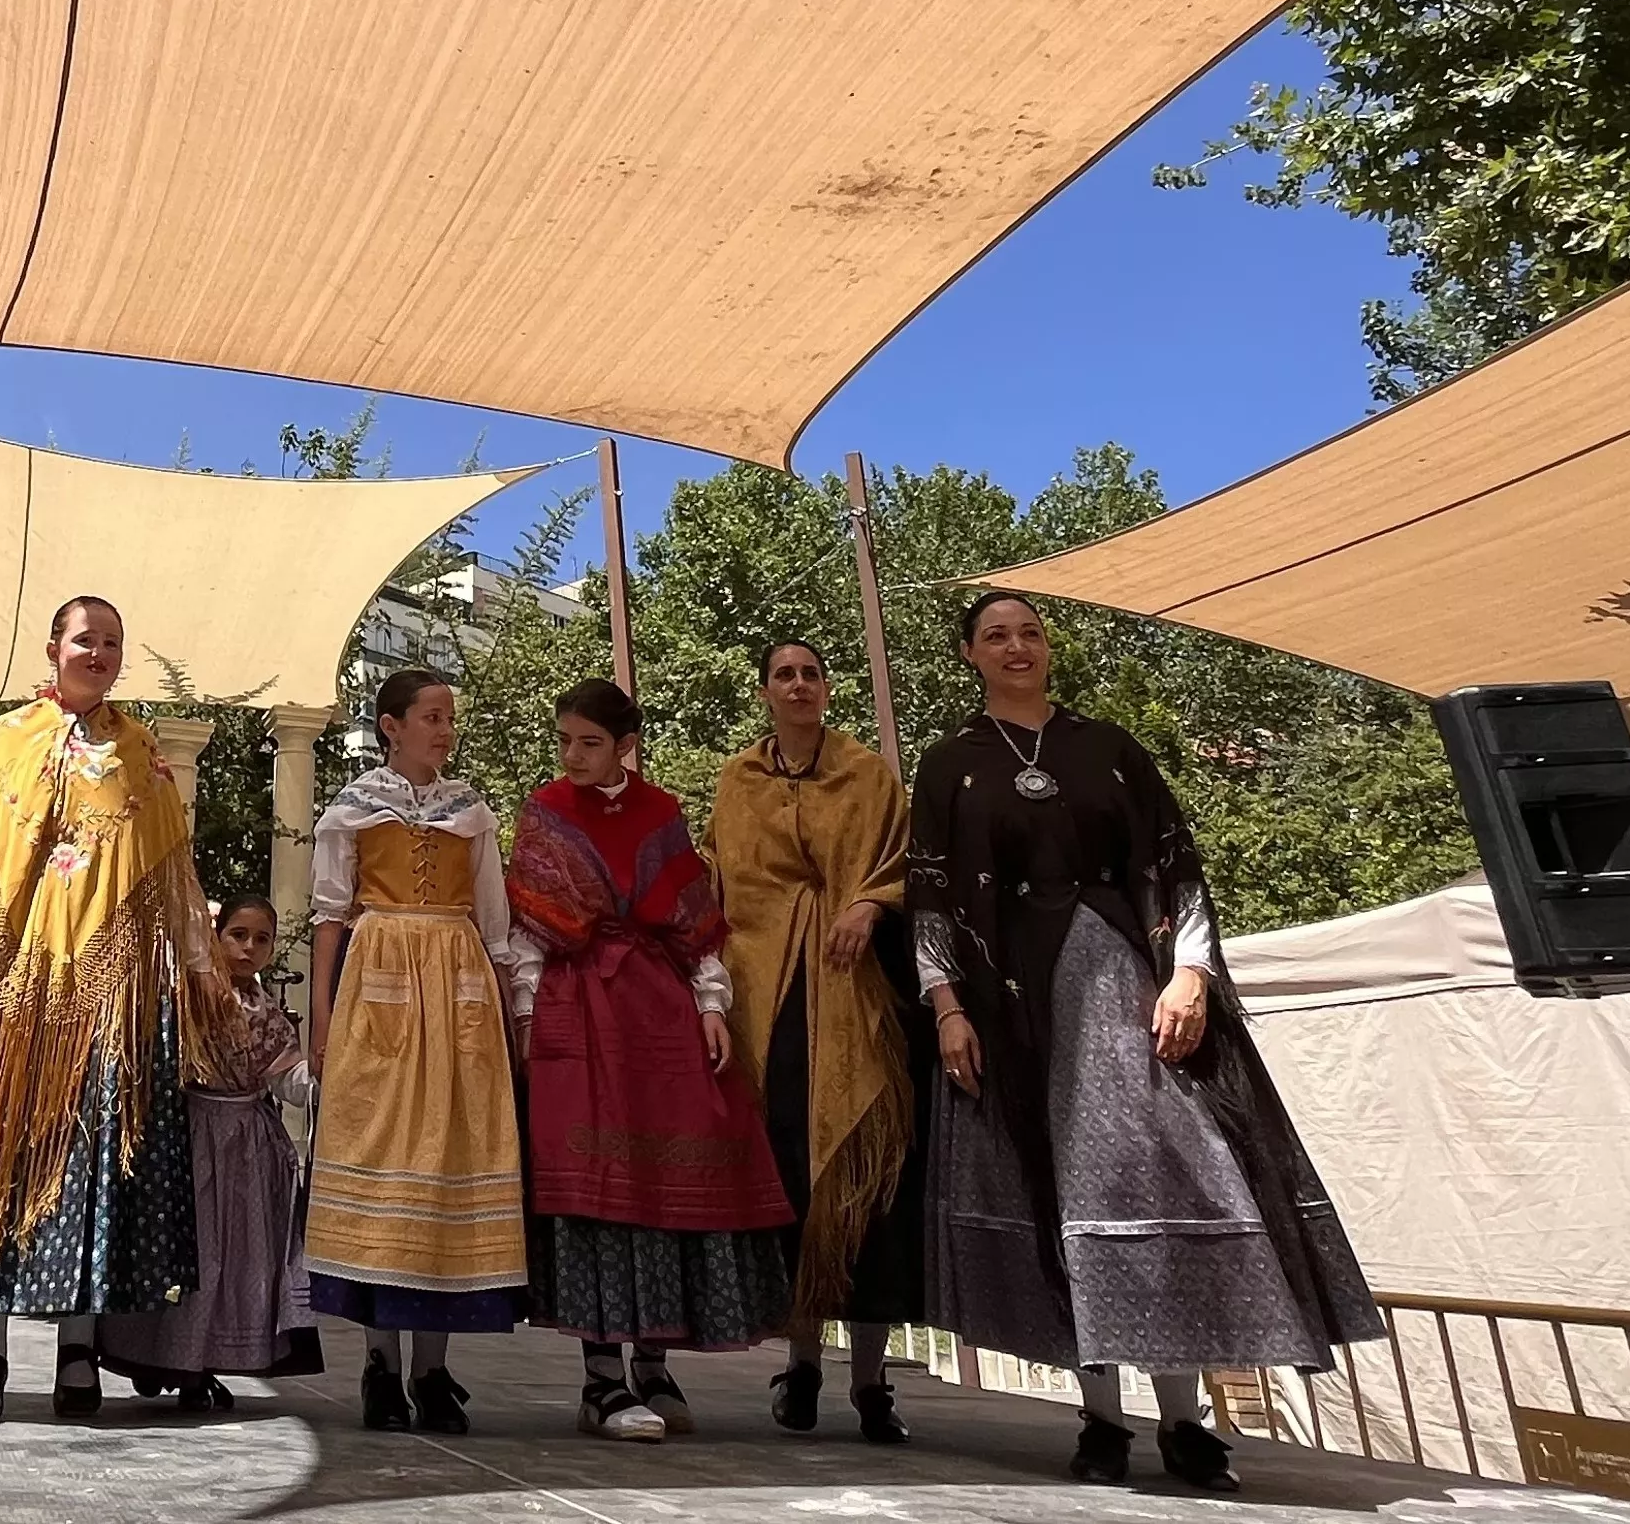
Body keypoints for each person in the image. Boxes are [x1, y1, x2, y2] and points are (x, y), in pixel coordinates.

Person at [910, 592, 1384, 1493]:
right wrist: (946, 1007)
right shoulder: (949, 765)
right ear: (969, 654)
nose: (1017, 646)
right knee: (1057, 1186)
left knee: (1165, 1174)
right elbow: (931, 893)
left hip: (1132, 982)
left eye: (1030, 633)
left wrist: (1190, 975)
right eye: (997, 635)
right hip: (1014, 1007)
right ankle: (1099, 1418)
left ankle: (1183, 1420)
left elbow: (1175, 860)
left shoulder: (1110, 748)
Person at [0, 595, 223, 1423]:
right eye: (87, 639)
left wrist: (182, 980)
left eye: (114, 642)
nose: (101, 652)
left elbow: (163, 872)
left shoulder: (140, 750)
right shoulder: (2, 741)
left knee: (87, 1169)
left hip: (103, 992)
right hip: (6, 988)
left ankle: (77, 1351)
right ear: (54, 647)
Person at [507, 679, 793, 1443]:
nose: (572, 754)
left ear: (623, 745)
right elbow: (529, 931)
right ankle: (600, 1381)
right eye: (564, 739)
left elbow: (694, 920)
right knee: (596, 1185)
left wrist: (709, 1004)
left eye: (589, 742)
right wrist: (528, 1014)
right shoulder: (544, 812)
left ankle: (654, 1363)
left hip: (658, 1010)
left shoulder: (660, 812)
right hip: (580, 1006)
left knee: (666, 1177)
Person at [297, 668, 530, 1435]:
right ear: (390, 725)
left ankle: (432, 1369)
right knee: (385, 1151)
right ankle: (380, 1365)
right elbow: (330, 916)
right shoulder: (353, 808)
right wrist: (320, 1017)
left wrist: (508, 1013)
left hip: (458, 986)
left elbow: (495, 927)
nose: (443, 729)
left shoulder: (472, 812)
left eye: (448, 718)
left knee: (451, 1161)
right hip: (381, 983)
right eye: (430, 716)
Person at [704, 641, 923, 1445]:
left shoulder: (867, 774)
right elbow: (721, 884)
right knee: (790, 1177)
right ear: (763, 690)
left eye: (811, 674)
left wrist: (869, 900)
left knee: (871, 1186)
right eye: (783, 675)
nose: (798, 685)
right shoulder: (738, 780)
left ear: (826, 689)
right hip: (767, 1003)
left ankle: (871, 1380)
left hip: (855, 1000)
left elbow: (906, 863)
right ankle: (799, 1365)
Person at [96, 896, 320, 1409]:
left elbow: (286, 1080)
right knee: (191, 1252)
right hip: (191, 1136)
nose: (248, 948)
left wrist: (332, 1074)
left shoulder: (268, 1013)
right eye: (237, 935)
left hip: (249, 1149)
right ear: (217, 938)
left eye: (261, 939)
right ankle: (168, 1357)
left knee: (237, 1259)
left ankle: (205, 1361)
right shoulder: (189, 996)